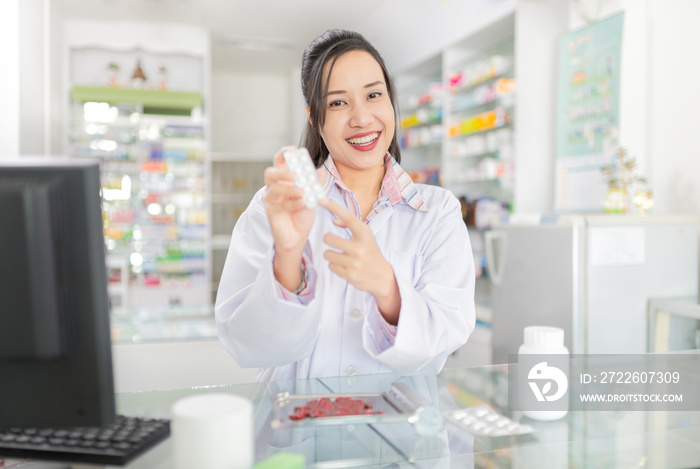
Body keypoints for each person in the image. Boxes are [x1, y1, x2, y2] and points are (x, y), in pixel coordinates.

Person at [215, 29, 475, 382]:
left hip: (399, 430)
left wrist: (387, 286)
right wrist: (288, 257)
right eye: (338, 102)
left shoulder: (438, 211)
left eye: (373, 95)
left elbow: (447, 336)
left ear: (390, 100)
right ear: (313, 116)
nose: (362, 118)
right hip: (295, 431)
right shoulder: (276, 206)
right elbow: (249, 346)